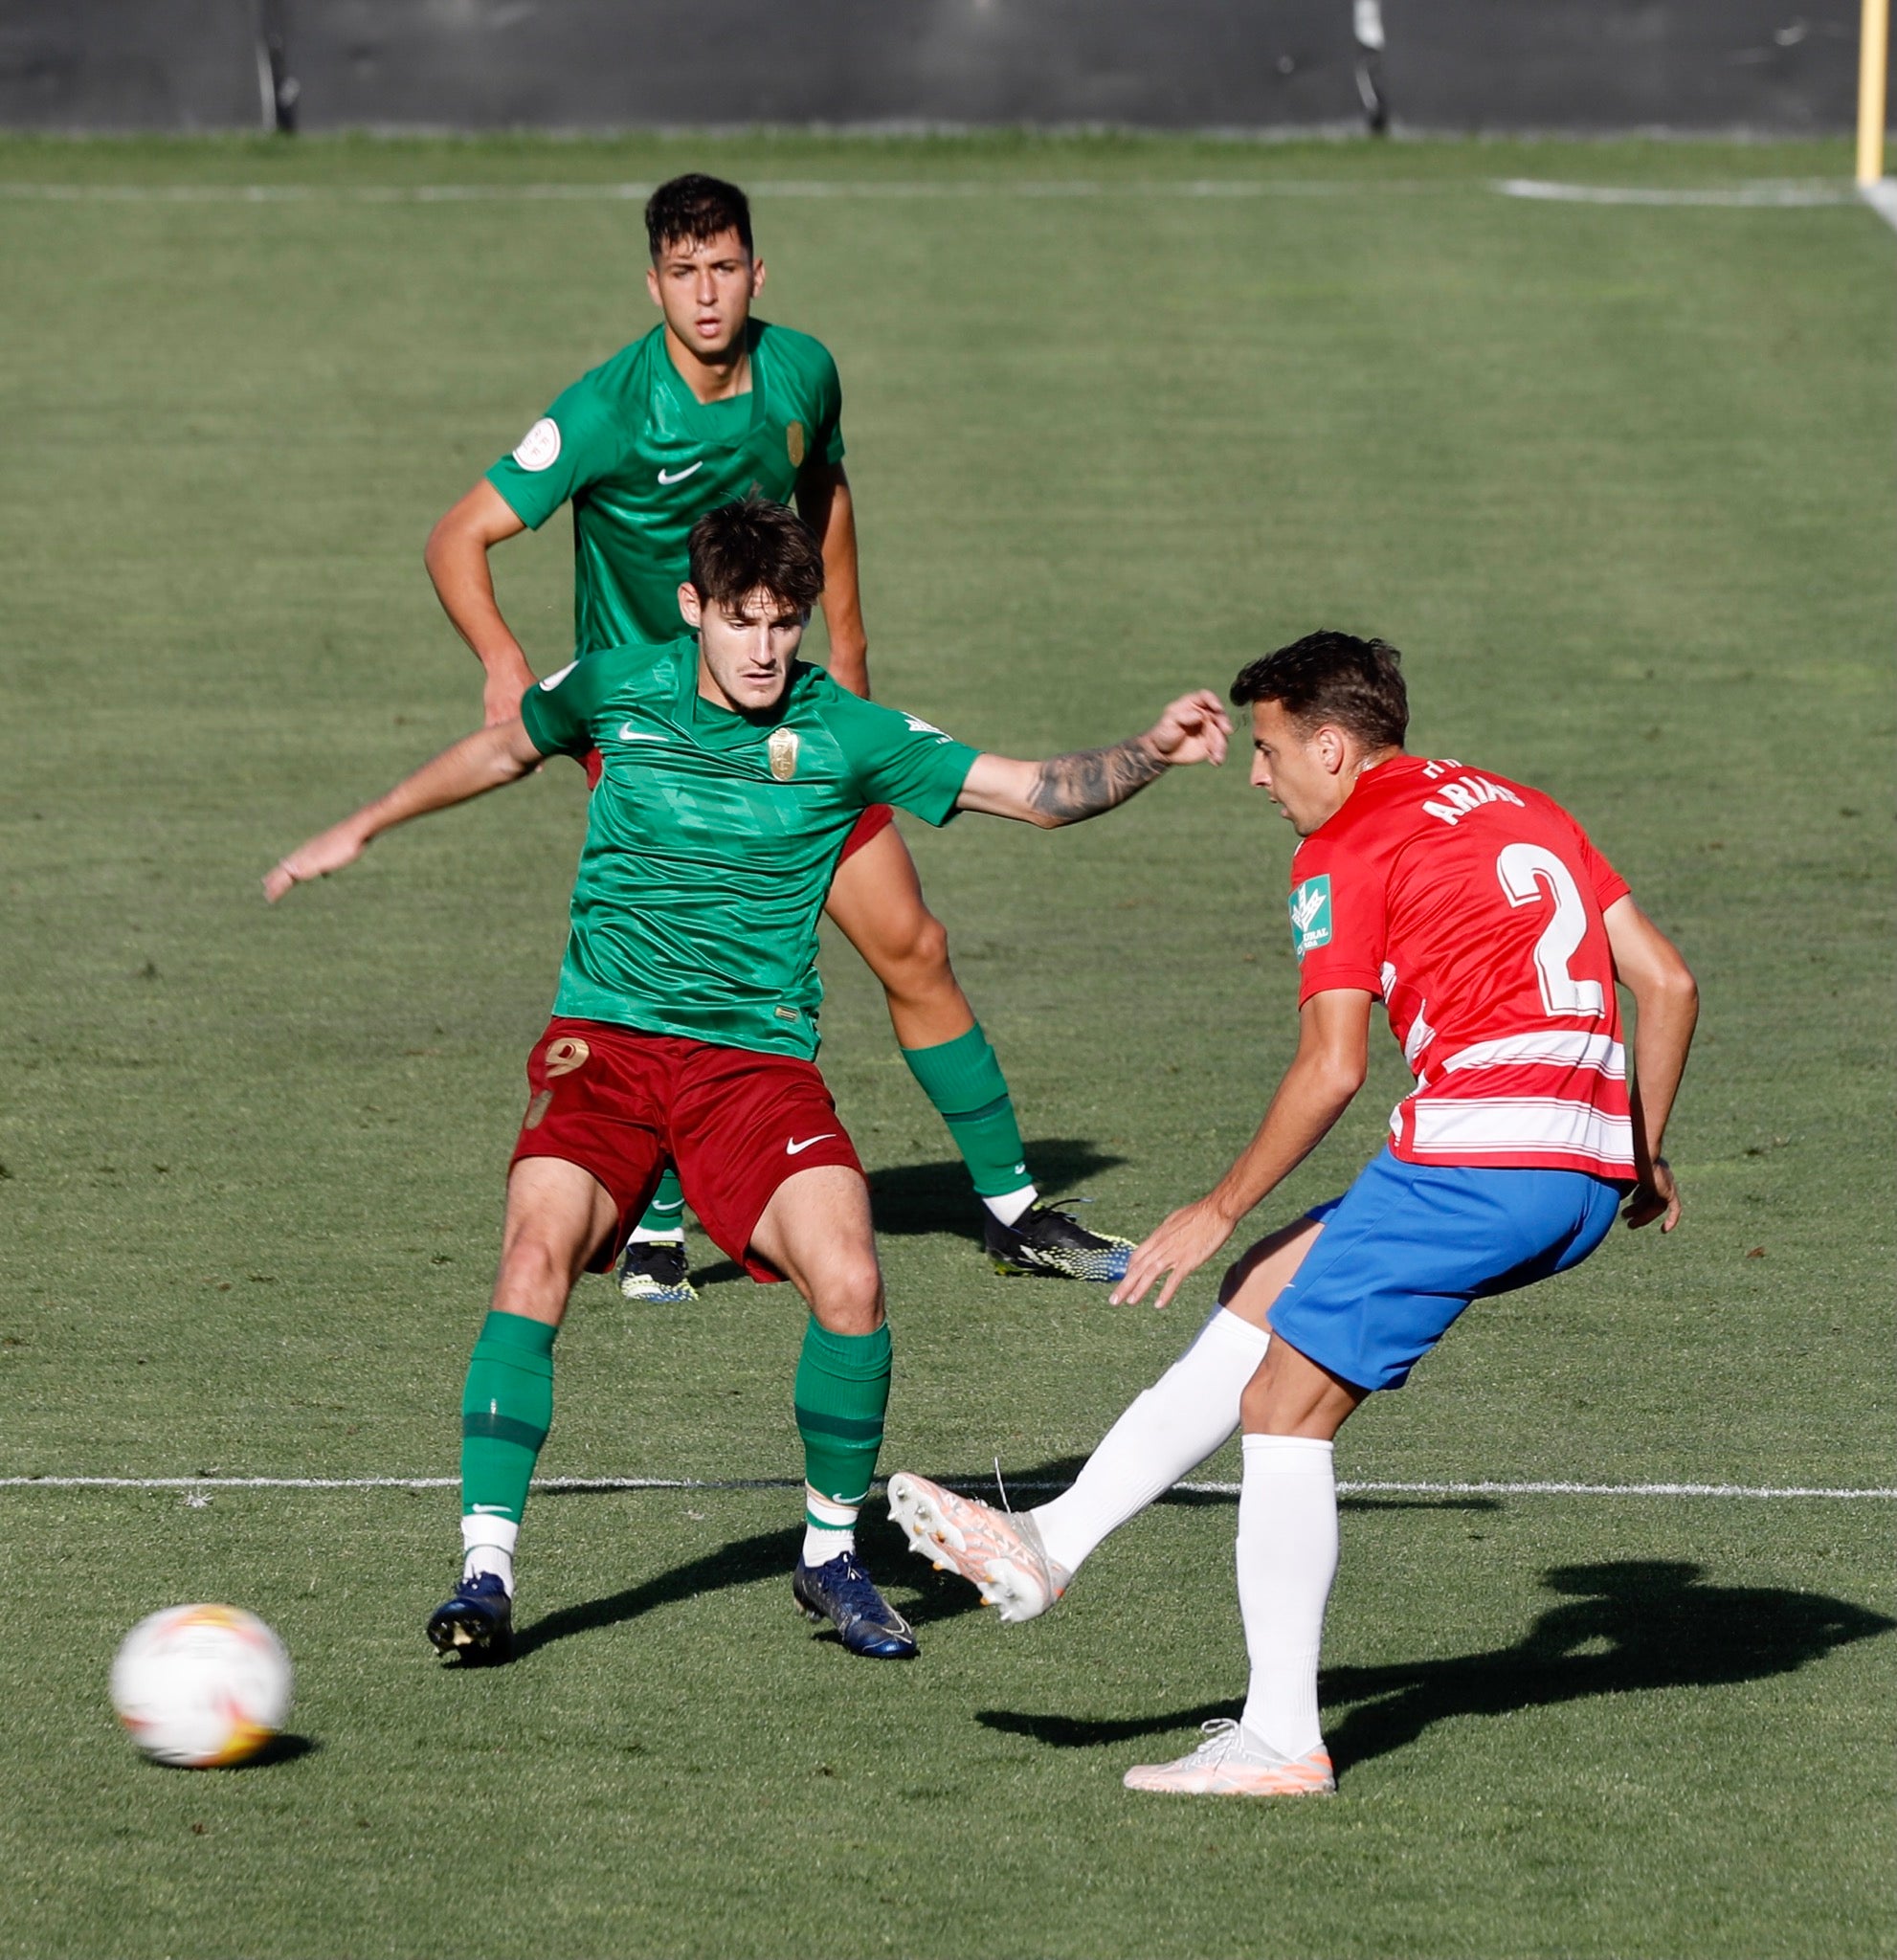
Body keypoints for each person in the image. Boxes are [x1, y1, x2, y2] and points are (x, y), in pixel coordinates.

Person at [265, 497, 1230, 1667]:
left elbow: (1033, 791)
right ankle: (487, 1569)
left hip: (751, 1067)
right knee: (533, 1257)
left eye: (783, 622)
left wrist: (1152, 749)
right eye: (740, 620)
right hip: (605, 1049)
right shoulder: (614, 687)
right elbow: (506, 745)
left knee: (851, 1276)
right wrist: (364, 825)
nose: (765, 648)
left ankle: (827, 1555)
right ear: (693, 609)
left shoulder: (846, 731)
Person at [888, 631, 1698, 1793]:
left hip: (1479, 1156)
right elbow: (1664, 980)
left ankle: (1279, 1738)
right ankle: (1051, 1539)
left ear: (1330, 745)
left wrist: (1214, 1202)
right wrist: (1640, 1149)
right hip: (1572, 1165)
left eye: (1267, 751)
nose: (1257, 778)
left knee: (1283, 1403)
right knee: (1267, 1285)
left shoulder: (1344, 841)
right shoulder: (1521, 804)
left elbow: (1331, 1067)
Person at [424, 170, 1134, 1303]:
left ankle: (1010, 1210)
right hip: (656, 737)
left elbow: (823, 491)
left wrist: (849, 654)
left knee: (911, 942)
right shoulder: (606, 410)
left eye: (723, 268)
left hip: (790, 718)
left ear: (758, 272)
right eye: (682, 272)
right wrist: (504, 663)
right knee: (687, 969)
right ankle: (655, 1219)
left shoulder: (803, 369)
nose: (706, 294)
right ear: (651, 283)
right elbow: (456, 536)